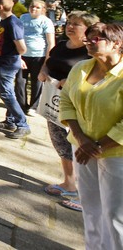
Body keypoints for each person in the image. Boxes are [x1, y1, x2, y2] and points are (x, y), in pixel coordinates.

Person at [59, 21, 123, 249]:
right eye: (88, 38)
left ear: (117, 43)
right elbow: (66, 101)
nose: (88, 42)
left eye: (96, 39)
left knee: (116, 214)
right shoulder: (81, 68)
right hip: (82, 147)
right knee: (90, 206)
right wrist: (81, 138)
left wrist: (96, 145)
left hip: (116, 153)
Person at [38, 11, 97, 213]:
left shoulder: (90, 52)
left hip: (77, 107)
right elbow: (49, 60)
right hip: (53, 102)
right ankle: (69, 183)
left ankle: (85, 194)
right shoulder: (62, 45)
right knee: (60, 143)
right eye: (69, 23)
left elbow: (97, 77)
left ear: (88, 29)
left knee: (77, 146)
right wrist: (43, 71)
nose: (70, 26)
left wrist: (70, 83)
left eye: (76, 24)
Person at [0, 0, 30, 139]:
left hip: (6, 63)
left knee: (6, 93)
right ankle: (10, 121)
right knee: (8, 93)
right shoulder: (5, 21)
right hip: (1, 61)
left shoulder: (13, 23)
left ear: (0, 7)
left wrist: (18, 57)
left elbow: (22, 48)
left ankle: (23, 124)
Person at [17, 0, 55, 113]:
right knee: (20, 81)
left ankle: (34, 106)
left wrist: (47, 62)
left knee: (36, 81)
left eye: (37, 7)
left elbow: (51, 43)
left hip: (39, 56)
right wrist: (18, 55)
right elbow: (17, 36)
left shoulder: (46, 22)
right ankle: (21, 105)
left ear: (43, 9)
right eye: (32, 6)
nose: (34, 9)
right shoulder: (23, 18)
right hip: (23, 55)